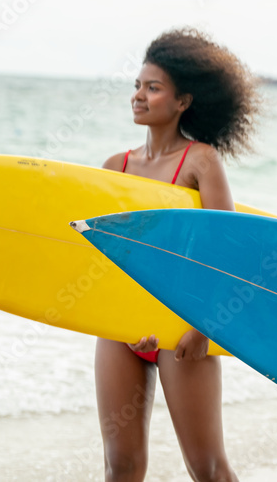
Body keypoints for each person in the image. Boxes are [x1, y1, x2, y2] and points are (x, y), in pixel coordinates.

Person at [95, 27, 260, 482]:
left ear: (183, 100)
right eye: (137, 86)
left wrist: (202, 324)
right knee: (120, 466)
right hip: (121, 326)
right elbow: (104, 256)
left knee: (207, 469)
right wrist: (121, 321)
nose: (139, 96)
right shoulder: (115, 167)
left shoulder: (200, 161)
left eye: (153, 88)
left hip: (183, 322)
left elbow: (223, 251)